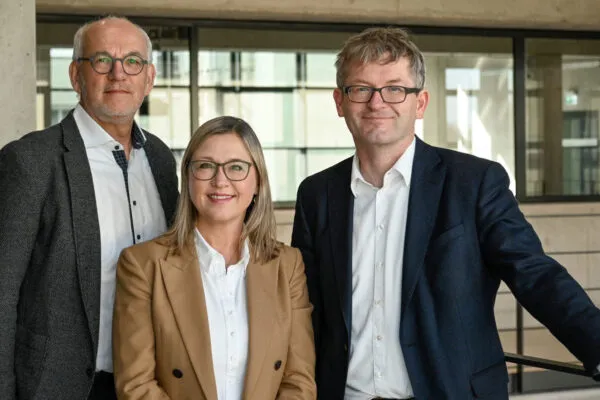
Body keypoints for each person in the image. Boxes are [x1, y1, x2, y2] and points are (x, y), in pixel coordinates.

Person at [291, 27, 600, 400]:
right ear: (340, 102)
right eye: (360, 89)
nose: (377, 102)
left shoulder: (474, 183)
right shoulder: (317, 194)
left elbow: (535, 274)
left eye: (394, 88)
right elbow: (303, 308)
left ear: (419, 103)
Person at [0, 16, 179, 400]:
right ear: (75, 75)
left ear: (149, 78)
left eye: (132, 62)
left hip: (151, 383)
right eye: (101, 60)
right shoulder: (30, 161)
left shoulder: (162, 160)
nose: (118, 74)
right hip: (62, 387)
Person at [112, 116, 316, 400]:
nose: (221, 181)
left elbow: (299, 381)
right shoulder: (143, 265)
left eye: (236, 167)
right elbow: (136, 385)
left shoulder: (287, 266)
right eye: (205, 166)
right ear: (189, 178)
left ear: (257, 181)